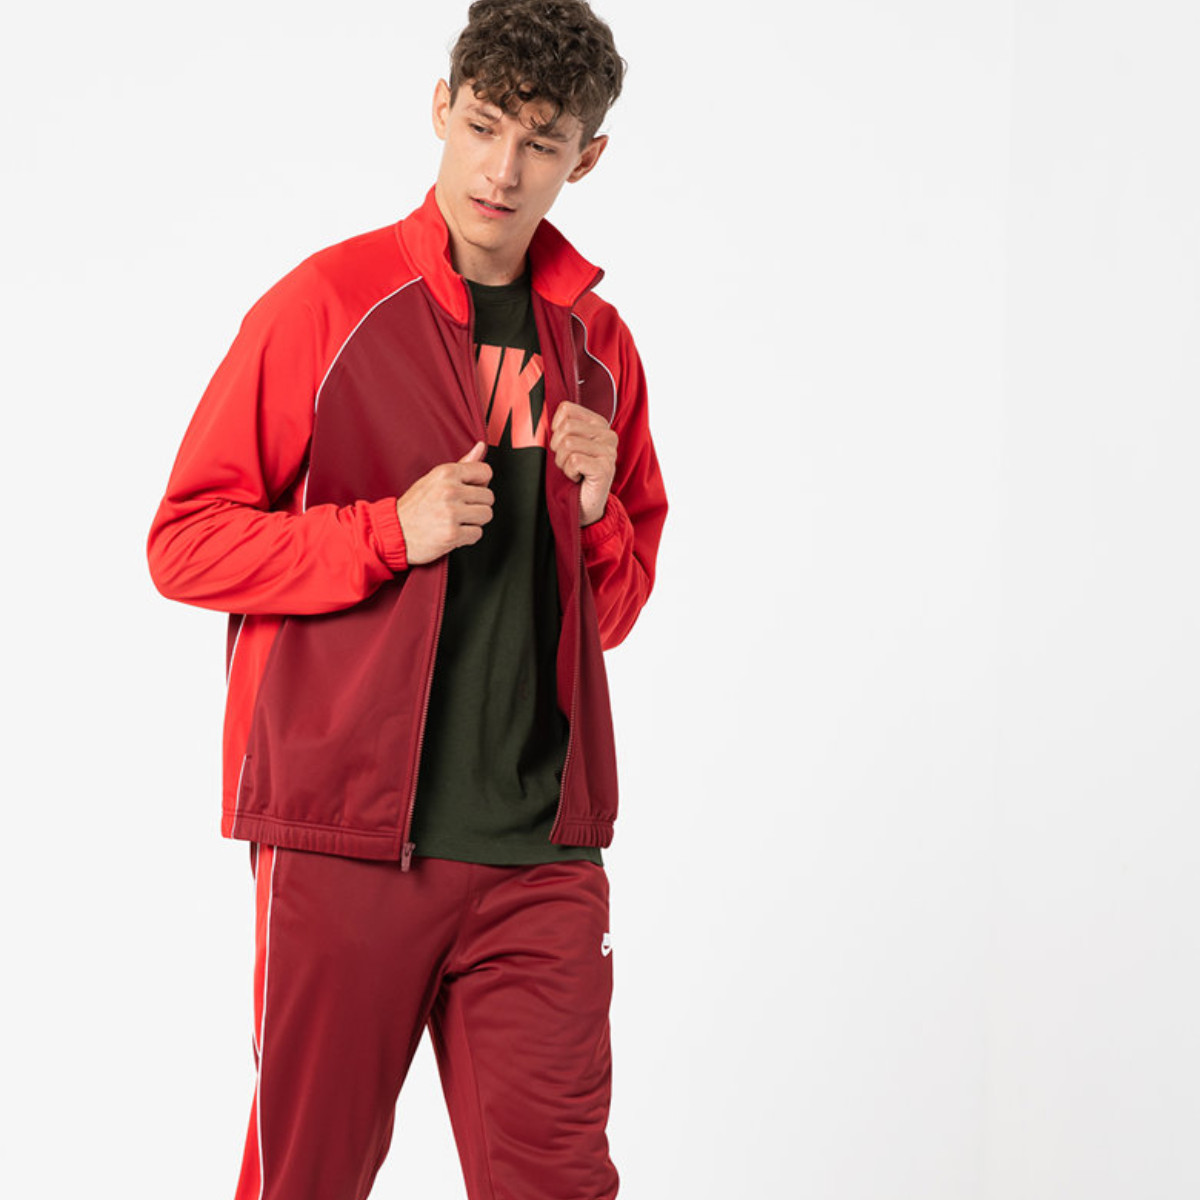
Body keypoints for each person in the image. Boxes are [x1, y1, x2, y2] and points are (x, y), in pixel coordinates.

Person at [147, 2, 667, 1197]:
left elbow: (613, 615)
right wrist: (389, 532)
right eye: (483, 126)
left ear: (586, 157)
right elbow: (184, 543)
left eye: (540, 142)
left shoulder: (599, 347)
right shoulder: (328, 305)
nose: (502, 170)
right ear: (441, 108)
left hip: (542, 854)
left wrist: (597, 514)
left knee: (560, 1183)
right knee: (309, 1178)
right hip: (347, 840)